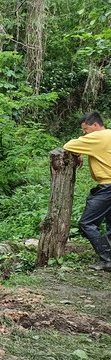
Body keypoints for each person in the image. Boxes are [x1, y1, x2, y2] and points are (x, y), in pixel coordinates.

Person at [64, 111, 111, 270]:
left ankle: (107, 259)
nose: (84, 133)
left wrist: (77, 153)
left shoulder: (98, 136)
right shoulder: (108, 135)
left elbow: (69, 145)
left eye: (86, 129)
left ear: (96, 125)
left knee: (87, 223)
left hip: (108, 186)